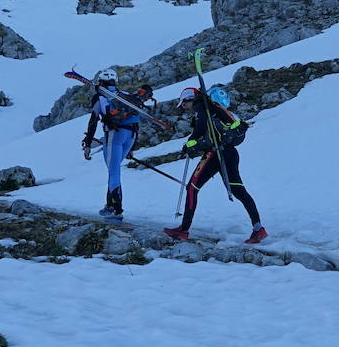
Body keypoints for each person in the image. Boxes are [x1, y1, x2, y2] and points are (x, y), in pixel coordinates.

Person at [163, 86, 266, 244]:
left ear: (190, 99)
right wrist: (193, 145)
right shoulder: (214, 111)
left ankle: (183, 230)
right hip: (230, 154)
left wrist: (191, 145)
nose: (184, 108)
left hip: (214, 154)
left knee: (192, 188)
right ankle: (258, 228)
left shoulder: (201, 108)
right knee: (238, 191)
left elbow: (200, 133)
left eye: (184, 104)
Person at [81, 68, 154, 221]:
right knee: (113, 171)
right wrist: (132, 147)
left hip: (114, 135)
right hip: (131, 135)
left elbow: (93, 121)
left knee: (114, 172)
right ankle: (109, 206)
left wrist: (87, 143)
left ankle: (117, 210)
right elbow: (135, 119)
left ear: (100, 81)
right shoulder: (126, 96)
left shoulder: (99, 97)